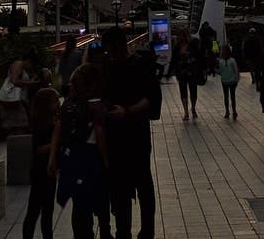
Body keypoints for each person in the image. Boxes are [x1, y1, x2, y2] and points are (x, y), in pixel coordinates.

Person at [101, 25, 157, 239]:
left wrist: (126, 112)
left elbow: (152, 99)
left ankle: (145, 231)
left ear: (118, 46)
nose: (109, 54)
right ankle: (125, 231)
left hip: (134, 134)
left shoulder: (140, 65)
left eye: (110, 49)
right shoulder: (109, 68)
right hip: (119, 136)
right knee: (124, 186)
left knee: (140, 183)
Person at [51, 63, 111, 239]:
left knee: (79, 204)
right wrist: (106, 159)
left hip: (73, 158)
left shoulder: (68, 104)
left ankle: (82, 234)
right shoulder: (96, 105)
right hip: (92, 157)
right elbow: (99, 133)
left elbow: (58, 128)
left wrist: (52, 158)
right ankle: (104, 231)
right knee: (101, 200)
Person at [23, 86, 60, 239]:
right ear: (46, 105)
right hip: (40, 171)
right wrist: (56, 142)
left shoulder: (50, 122)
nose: (58, 103)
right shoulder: (42, 125)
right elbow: (40, 149)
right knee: (36, 209)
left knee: (47, 211)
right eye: (55, 101)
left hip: (47, 172)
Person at [0, 55, 37, 135]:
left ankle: (15, 140)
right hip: (15, 100)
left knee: (17, 125)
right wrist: (32, 83)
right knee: (19, 125)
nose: (31, 67)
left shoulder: (23, 68)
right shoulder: (18, 64)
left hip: (18, 100)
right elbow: (14, 81)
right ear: (28, 61)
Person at [169, 30, 203, 121]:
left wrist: (199, 69)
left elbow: (198, 57)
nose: (181, 37)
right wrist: (170, 72)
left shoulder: (192, 45)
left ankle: (193, 108)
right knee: (183, 92)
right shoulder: (177, 47)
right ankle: (186, 112)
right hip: (181, 73)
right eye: (179, 36)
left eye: (182, 35)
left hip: (192, 72)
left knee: (193, 92)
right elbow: (173, 60)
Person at [217, 42, 240, 120]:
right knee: (230, 96)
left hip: (228, 81)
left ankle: (230, 111)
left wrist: (236, 79)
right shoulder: (228, 61)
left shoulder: (225, 61)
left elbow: (221, 71)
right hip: (228, 81)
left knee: (228, 96)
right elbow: (235, 71)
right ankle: (231, 111)